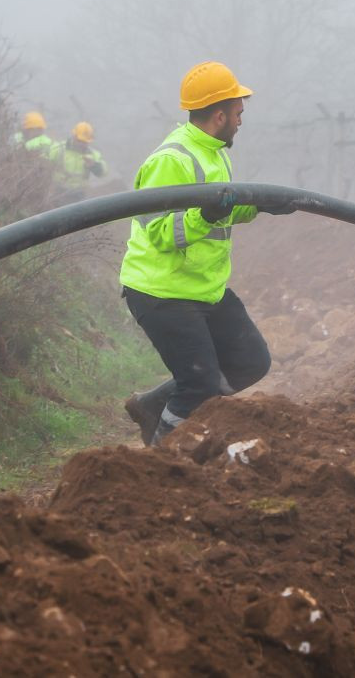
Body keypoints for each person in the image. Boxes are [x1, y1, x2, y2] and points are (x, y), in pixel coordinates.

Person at [120, 61, 292, 446]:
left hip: (203, 289)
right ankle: (161, 458)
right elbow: (163, 233)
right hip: (162, 292)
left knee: (252, 361)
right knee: (199, 385)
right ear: (219, 115)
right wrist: (205, 214)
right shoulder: (171, 160)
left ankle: (153, 406)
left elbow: (223, 214)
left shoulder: (216, 153)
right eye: (238, 113)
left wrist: (261, 204)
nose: (241, 121)